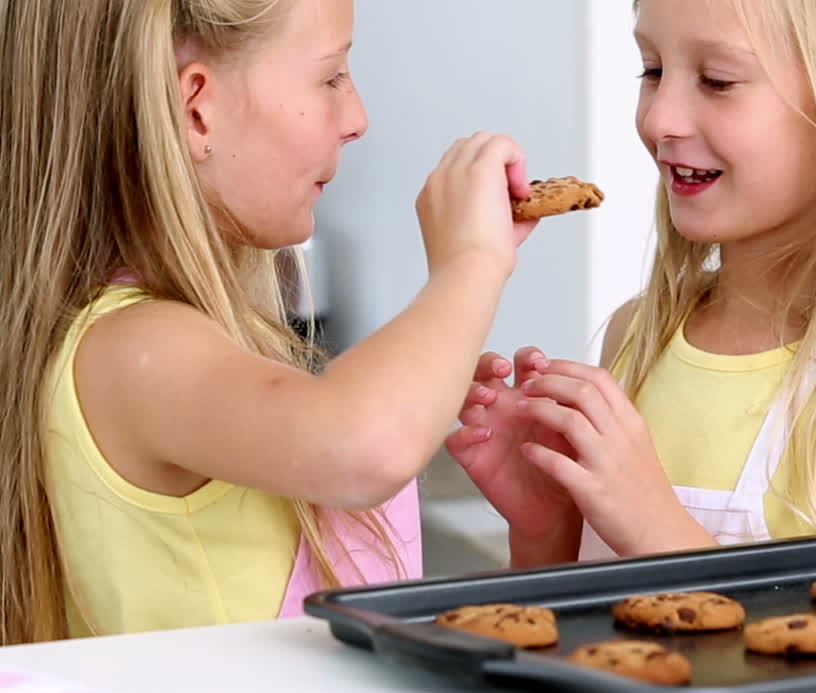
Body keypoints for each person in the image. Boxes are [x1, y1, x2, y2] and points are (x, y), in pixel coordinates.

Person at [0, 0, 535, 643]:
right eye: (332, 75)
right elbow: (365, 446)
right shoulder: (129, 349)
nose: (358, 118)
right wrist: (470, 264)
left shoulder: (196, 348)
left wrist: (536, 528)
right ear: (197, 108)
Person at [449, 0, 816, 567]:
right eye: (653, 70)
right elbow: (563, 629)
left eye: (717, 81)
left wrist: (658, 531)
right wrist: (545, 526)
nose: (658, 119)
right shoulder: (639, 335)